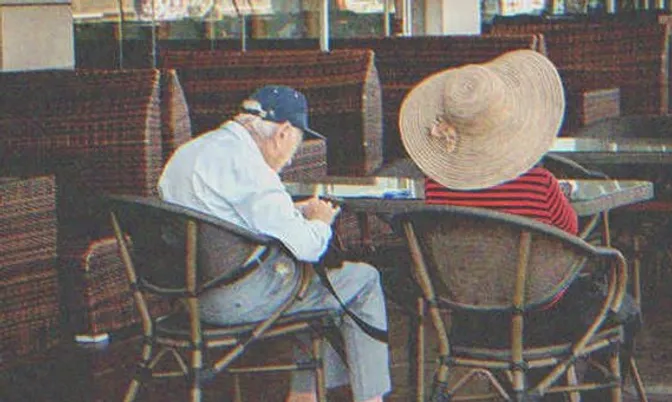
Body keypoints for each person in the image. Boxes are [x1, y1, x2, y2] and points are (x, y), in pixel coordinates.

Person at [398, 49, 641, 389]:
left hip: (468, 320)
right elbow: (570, 239)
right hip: (542, 318)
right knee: (623, 306)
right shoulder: (539, 184)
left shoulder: (436, 190)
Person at [158, 85, 391, 402]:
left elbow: (225, 216)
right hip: (230, 299)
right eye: (295, 144)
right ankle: (368, 398)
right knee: (358, 279)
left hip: (185, 295)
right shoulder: (252, 168)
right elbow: (308, 247)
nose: (292, 154)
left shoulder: (190, 152)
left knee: (304, 282)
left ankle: (305, 394)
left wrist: (292, 211)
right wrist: (320, 220)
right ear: (283, 133)